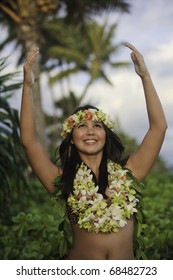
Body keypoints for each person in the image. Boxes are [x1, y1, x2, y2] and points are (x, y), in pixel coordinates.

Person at [20, 42, 167, 260]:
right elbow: (29, 141)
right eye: (82, 126)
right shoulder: (62, 181)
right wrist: (27, 87)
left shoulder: (129, 175)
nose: (90, 131)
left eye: (97, 126)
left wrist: (145, 76)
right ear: (71, 139)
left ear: (106, 135)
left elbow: (159, 128)